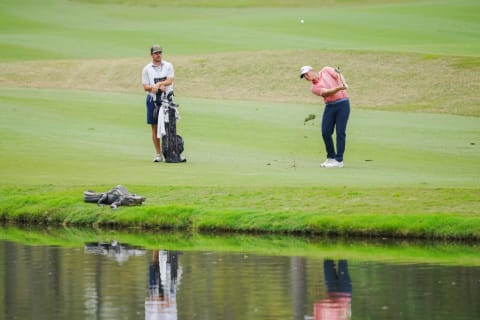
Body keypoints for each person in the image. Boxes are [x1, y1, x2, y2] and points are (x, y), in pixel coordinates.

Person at [300, 65, 350, 168]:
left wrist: (343, 83)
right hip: (330, 106)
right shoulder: (314, 88)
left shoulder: (326, 70)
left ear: (312, 70)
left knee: (340, 132)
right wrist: (339, 87)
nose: (306, 77)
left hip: (343, 104)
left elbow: (338, 74)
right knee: (325, 132)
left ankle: (339, 160)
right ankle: (331, 157)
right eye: (304, 76)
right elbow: (327, 92)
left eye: (306, 74)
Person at [142, 45, 175, 162]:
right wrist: (153, 87)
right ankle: (158, 154)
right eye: (156, 53)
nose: (158, 55)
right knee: (154, 128)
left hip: (167, 100)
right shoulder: (147, 69)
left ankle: (172, 152)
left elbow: (170, 80)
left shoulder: (168, 65)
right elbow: (145, 86)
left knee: (171, 126)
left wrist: (160, 84)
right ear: (151, 55)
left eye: (160, 52)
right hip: (153, 100)